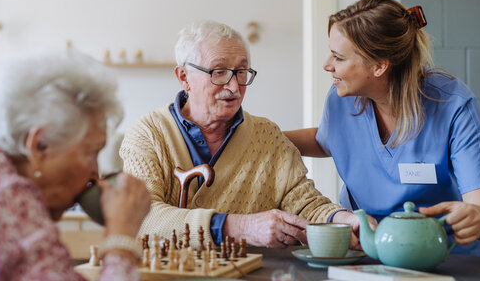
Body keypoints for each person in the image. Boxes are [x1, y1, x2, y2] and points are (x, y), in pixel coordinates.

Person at [284, 0, 480, 256]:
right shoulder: (341, 99)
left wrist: (477, 217)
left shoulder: (452, 103)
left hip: (443, 257)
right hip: (370, 252)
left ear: (379, 66)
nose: (327, 65)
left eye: (338, 57)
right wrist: (261, 136)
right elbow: (326, 140)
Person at [120, 20, 366, 249]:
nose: (234, 86)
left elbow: (304, 204)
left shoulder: (267, 136)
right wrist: (240, 227)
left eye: (241, 72)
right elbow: (140, 216)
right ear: (184, 77)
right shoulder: (147, 135)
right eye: (218, 72)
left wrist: (340, 218)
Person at [0, 51, 152, 280]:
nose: (96, 174)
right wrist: (121, 237)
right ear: (39, 145)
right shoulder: (4, 197)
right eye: (91, 152)